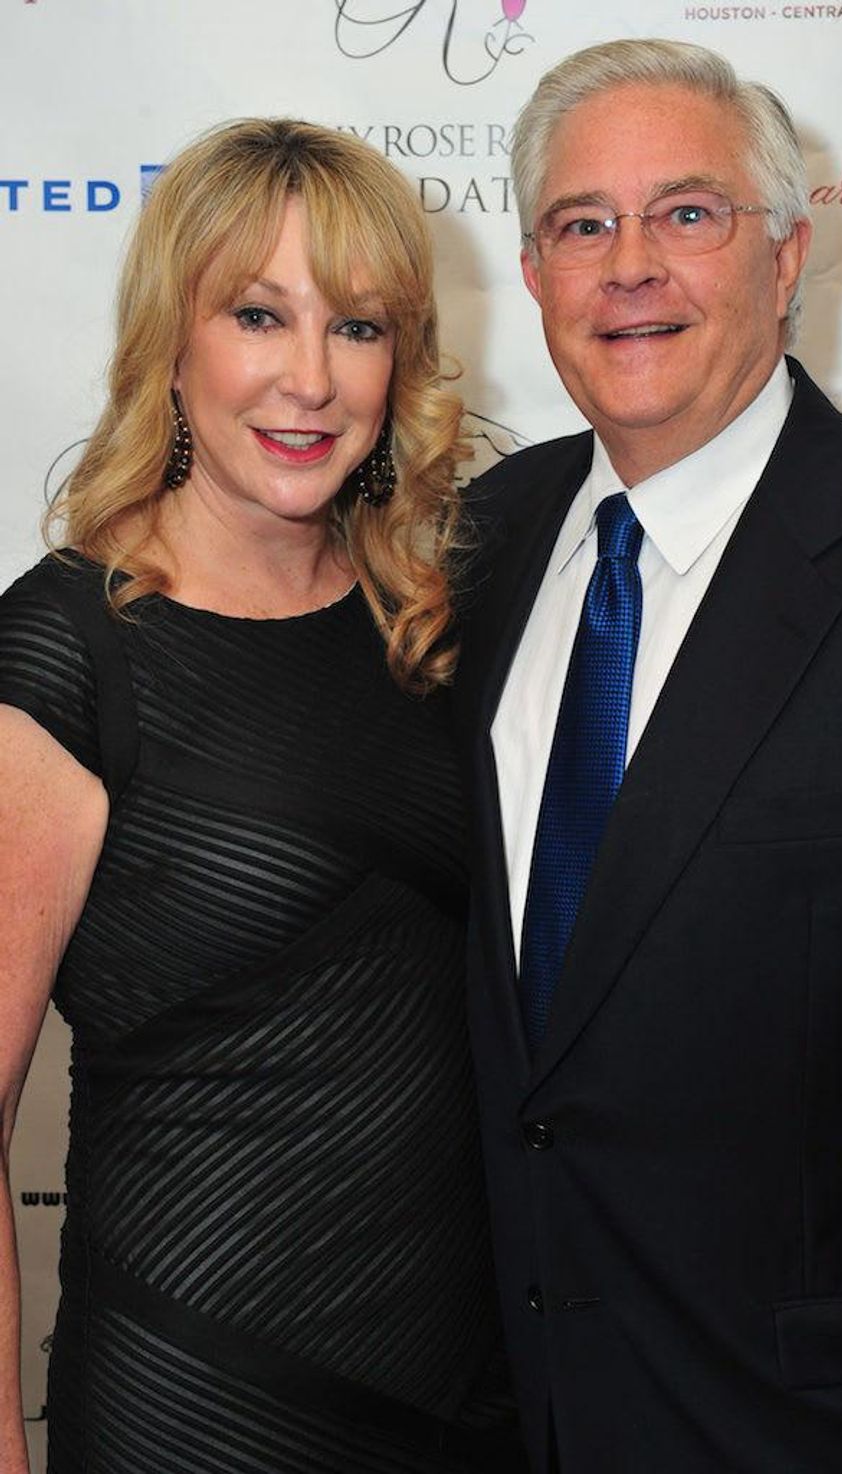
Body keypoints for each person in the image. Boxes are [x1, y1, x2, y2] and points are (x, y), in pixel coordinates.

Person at [452, 38, 842, 1473]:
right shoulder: (476, 545)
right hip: (514, 1415)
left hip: (841, 1434)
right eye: (582, 224)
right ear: (537, 271)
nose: (630, 266)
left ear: (789, 252)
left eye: (688, 214)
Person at [0, 118, 526, 1474]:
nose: (310, 380)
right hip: (197, 1403)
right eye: (255, 314)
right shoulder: (71, 647)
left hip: (471, 1398)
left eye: (356, 326)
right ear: (171, 340)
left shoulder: (430, 618)